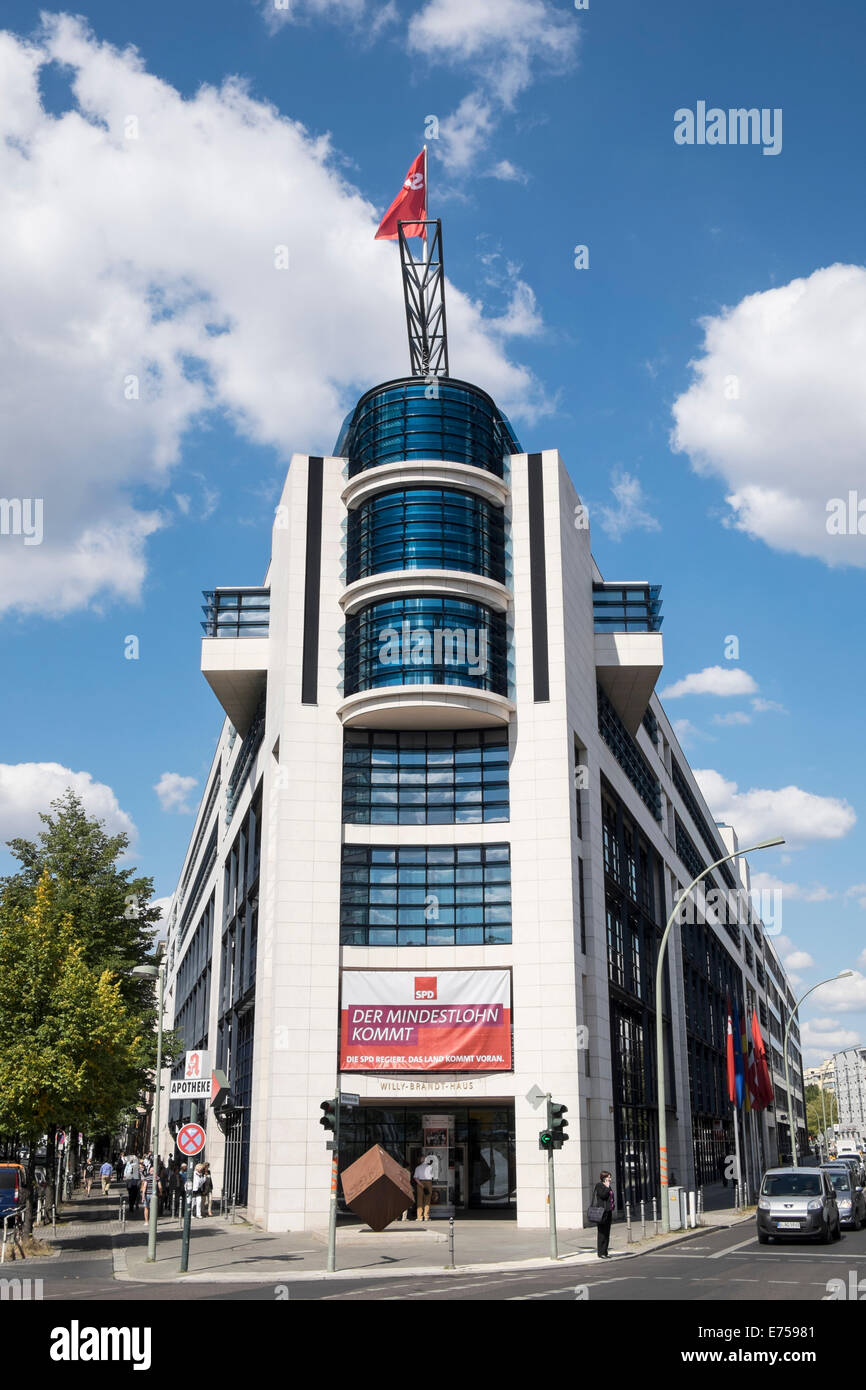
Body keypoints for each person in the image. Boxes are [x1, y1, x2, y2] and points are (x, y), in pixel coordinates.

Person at [594, 1170, 615, 1259]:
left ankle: (605, 1252)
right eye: (609, 1177)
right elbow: (602, 1196)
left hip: (608, 1211)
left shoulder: (608, 1186)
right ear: (604, 1178)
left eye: (610, 1177)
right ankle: (601, 1252)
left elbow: (610, 1197)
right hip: (601, 1212)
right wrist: (607, 1187)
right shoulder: (599, 1185)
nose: (610, 1179)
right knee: (602, 1233)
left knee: (607, 1232)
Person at [413, 1155, 437, 1222]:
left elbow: (415, 1178)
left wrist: (421, 1185)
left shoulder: (417, 1168)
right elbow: (432, 1177)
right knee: (427, 1200)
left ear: (421, 1160)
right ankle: (426, 1216)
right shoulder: (430, 1167)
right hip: (429, 1183)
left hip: (420, 1183)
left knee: (420, 1200)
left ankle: (419, 1217)